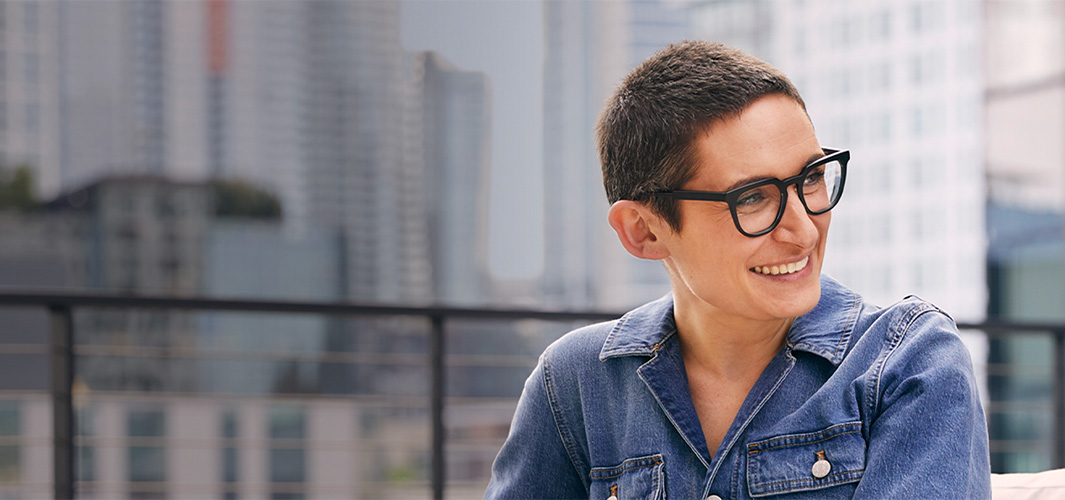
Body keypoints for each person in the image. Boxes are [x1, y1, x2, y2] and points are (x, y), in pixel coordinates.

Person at [484, 41, 990, 499]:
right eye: (751, 198)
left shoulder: (909, 362)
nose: (804, 230)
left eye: (811, 178)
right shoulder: (575, 382)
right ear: (644, 230)